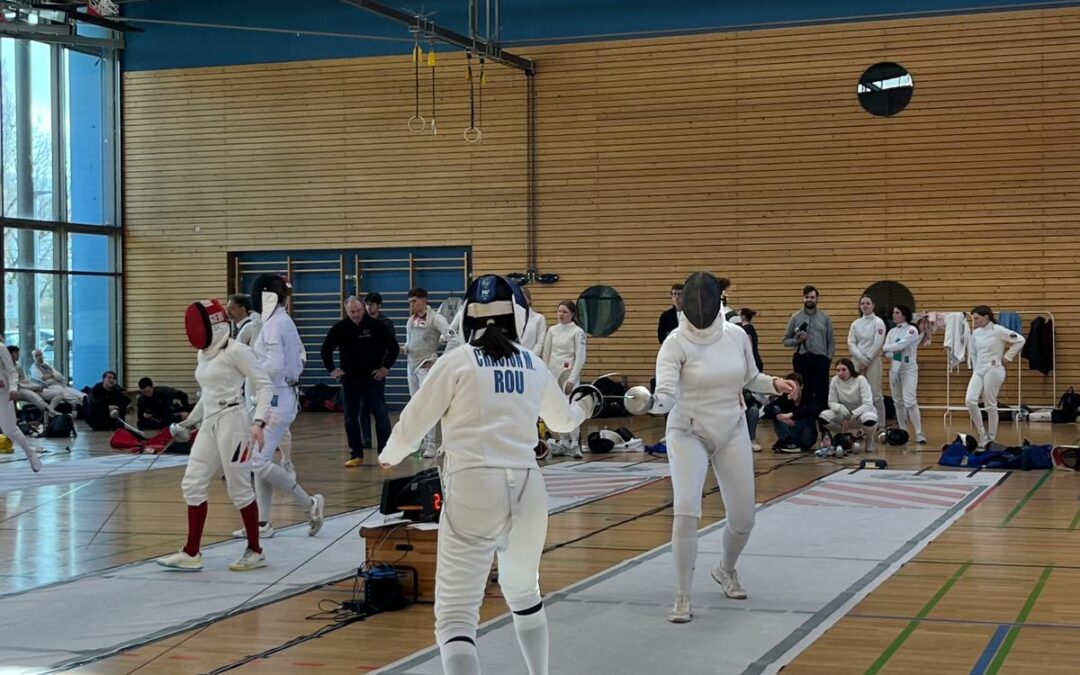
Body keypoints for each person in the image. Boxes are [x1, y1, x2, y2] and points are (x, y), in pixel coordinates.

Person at [378, 274, 598, 675]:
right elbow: (564, 422)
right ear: (517, 316)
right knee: (523, 592)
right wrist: (586, 405)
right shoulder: (531, 363)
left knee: (457, 617)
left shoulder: (456, 362)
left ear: (467, 317)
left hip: (472, 488)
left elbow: (411, 423)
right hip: (529, 492)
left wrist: (389, 455)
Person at [642, 271, 795, 624]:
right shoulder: (674, 342)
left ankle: (725, 569)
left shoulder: (736, 335)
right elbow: (665, 395)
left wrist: (775, 383)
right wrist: (650, 402)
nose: (699, 308)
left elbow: (749, 377)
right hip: (688, 430)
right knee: (686, 510)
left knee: (744, 519)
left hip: (732, 427)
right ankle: (682, 595)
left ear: (716, 301)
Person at [156, 298, 273, 571]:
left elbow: (265, 386)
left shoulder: (237, 351)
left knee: (239, 487)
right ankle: (191, 552)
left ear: (213, 325)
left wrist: (258, 422)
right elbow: (208, 396)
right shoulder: (204, 353)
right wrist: (189, 422)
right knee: (193, 483)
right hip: (210, 423)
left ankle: (255, 550)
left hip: (234, 422)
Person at [245, 274, 324, 539]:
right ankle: (263, 523)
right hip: (280, 395)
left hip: (277, 399)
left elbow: (275, 365)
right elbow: (300, 356)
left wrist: (247, 366)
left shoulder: (274, 325)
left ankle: (309, 503)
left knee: (257, 461)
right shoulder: (280, 321)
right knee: (260, 459)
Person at [321, 296, 399, 467]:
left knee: (380, 415)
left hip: (373, 378)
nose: (355, 315)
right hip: (350, 379)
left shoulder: (377, 326)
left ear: (363, 309)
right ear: (346, 311)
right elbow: (325, 349)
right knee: (350, 417)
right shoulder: (340, 328)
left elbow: (393, 348)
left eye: (358, 311)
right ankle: (356, 453)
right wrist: (332, 370)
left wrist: (385, 367)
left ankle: (384, 454)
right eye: (351, 312)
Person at [402, 287, 457, 457]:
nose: (412, 305)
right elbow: (410, 344)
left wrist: (439, 360)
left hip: (426, 367)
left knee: (428, 405)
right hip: (411, 366)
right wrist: (401, 349)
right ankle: (422, 442)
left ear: (424, 300)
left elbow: (453, 337)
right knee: (417, 407)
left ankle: (432, 445)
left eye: (414, 301)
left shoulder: (436, 318)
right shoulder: (410, 321)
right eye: (410, 302)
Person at [966, 305, 1025, 448]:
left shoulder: (999, 330)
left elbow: (1020, 340)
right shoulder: (976, 333)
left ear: (986, 317)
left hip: (994, 369)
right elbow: (973, 352)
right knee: (970, 400)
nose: (976, 321)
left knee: (989, 404)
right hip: (979, 370)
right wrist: (975, 367)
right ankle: (982, 434)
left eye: (978, 318)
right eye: (974, 319)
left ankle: (991, 437)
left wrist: (1008, 357)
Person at [540, 299, 587, 457]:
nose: (561, 314)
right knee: (557, 408)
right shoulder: (552, 331)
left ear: (572, 314)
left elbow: (580, 358)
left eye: (565, 312)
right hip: (553, 374)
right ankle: (562, 442)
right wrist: (544, 376)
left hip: (568, 375)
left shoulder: (577, 332)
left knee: (571, 408)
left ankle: (574, 443)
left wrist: (572, 380)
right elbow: (546, 355)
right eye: (559, 311)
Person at [782, 286, 834, 411]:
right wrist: (797, 341)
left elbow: (831, 340)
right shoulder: (795, 317)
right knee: (803, 391)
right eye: (807, 297)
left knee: (821, 392)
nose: (809, 300)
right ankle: (804, 422)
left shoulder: (825, 318)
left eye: (812, 297)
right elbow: (785, 341)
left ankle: (822, 422)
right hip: (802, 358)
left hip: (820, 360)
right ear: (803, 299)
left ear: (817, 299)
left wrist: (828, 359)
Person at [883, 305, 926, 444]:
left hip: (909, 369)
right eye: (893, 313)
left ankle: (919, 433)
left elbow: (898, 347)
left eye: (897, 313)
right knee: (898, 402)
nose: (894, 315)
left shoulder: (912, 330)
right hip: (895, 369)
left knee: (910, 401)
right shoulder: (891, 332)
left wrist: (888, 348)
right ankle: (903, 431)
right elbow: (888, 353)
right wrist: (891, 349)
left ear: (904, 314)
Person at [847, 295, 887, 444]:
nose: (865, 306)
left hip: (873, 361)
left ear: (873, 305)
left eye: (868, 303)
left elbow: (878, 343)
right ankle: (861, 427)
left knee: (875, 394)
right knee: (857, 395)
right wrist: (861, 360)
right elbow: (851, 343)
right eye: (862, 303)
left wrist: (868, 360)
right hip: (857, 361)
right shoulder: (855, 324)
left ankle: (881, 426)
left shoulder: (878, 322)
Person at [817, 358, 878, 456]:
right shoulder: (834, 380)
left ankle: (869, 439)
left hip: (861, 413)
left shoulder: (860, 380)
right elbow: (831, 402)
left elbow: (868, 404)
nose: (840, 373)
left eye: (844, 370)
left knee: (869, 418)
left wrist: (852, 414)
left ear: (850, 369)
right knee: (823, 417)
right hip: (843, 414)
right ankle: (841, 433)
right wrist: (840, 408)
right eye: (838, 370)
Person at [363, 292, 397, 452]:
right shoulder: (360, 322)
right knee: (362, 407)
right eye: (367, 304)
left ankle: (386, 440)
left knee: (379, 407)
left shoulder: (386, 323)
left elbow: (391, 348)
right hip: (361, 371)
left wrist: (385, 367)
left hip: (378, 370)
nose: (369, 307)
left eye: (372, 304)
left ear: (378, 306)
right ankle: (366, 438)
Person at [0, 339, 42, 472]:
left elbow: (12, 372)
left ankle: (31, 454)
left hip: (3, 393)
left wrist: (13, 388)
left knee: (9, 430)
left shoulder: (1, 348)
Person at [763, 373, 819, 453]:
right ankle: (788, 441)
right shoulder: (786, 397)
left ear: (801, 386)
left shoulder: (808, 397)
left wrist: (791, 415)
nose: (793, 389)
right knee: (776, 411)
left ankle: (787, 442)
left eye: (796, 385)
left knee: (807, 416)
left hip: (806, 434)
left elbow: (814, 409)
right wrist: (782, 418)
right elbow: (767, 408)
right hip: (791, 430)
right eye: (790, 386)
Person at [6, 346, 57, 420]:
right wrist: (32, 387)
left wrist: (34, 386)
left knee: (48, 393)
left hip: (25, 386)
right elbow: (16, 383)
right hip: (17, 389)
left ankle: (50, 412)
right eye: (16, 353)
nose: (18, 355)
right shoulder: (7, 367)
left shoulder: (18, 365)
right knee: (34, 397)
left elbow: (25, 380)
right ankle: (53, 413)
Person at [519, 288, 548, 354]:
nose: (521, 301)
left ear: (529, 300)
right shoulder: (512, 318)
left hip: (532, 359)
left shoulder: (539, 318)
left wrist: (531, 357)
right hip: (516, 360)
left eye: (524, 298)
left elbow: (540, 342)